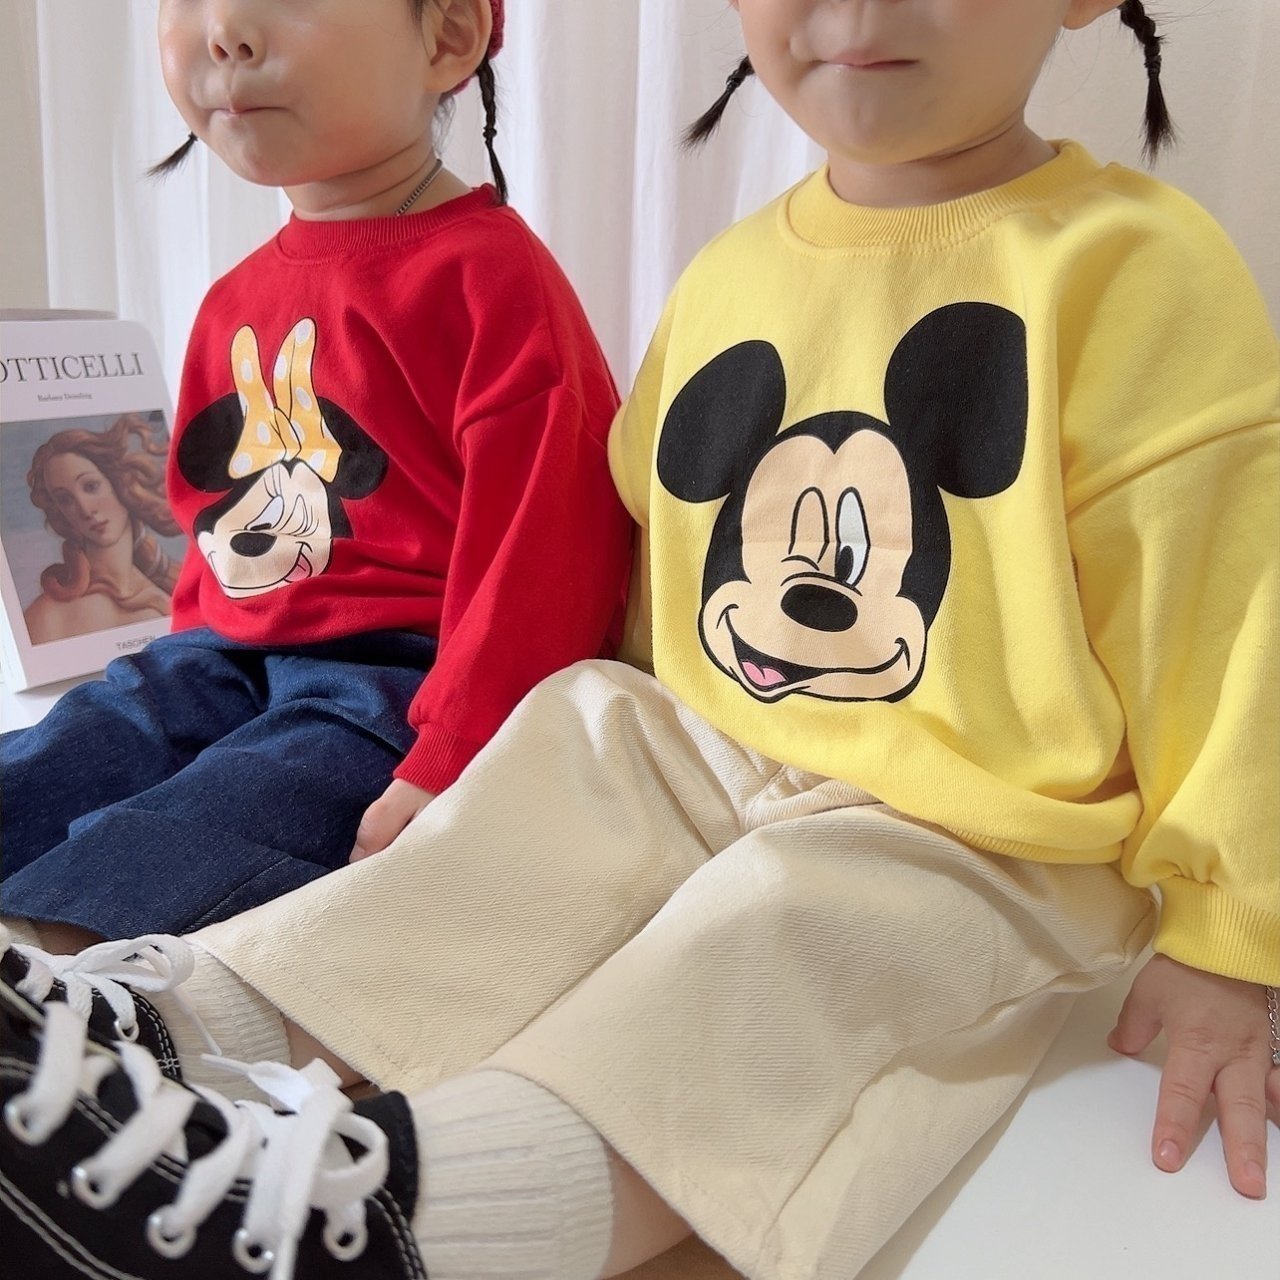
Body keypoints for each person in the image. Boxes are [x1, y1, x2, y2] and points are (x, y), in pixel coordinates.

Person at [2, 2, 1277, 1279]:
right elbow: (650, 555)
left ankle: (395, 1222)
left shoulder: (1129, 265)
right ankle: (150, 1023)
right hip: (707, 741)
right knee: (548, 779)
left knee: (783, 938)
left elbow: (1233, 615)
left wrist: (1228, 932)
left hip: (981, 817)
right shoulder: (733, 270)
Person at [0, 0, 631, 946]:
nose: (226, 32)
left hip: (397, 679)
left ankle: (54, 974)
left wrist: (452, 753)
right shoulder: (232, 299)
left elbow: (549, 555)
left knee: (224, 814)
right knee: (80, 740)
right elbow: (208, 527)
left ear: (448, 36)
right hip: (222, 654)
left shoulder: (491, 281)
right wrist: (175, 679)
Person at [22, 414, 180, 644]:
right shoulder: (47, 617)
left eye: (90, 486)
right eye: (65, 499)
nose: (85, 509)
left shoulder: (173, 591)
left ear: (118, 483)